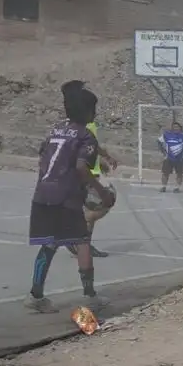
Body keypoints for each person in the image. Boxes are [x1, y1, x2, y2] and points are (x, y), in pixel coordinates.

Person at [25, 81, 115, 314]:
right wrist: (101, 191)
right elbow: (81, 168)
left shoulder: (56, 129)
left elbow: (41, 155)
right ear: (87, 112)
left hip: (43, 192)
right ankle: (89, 296)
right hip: (66, 197)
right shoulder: (85, 135)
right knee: (82, 241)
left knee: (49, 243)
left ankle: (35, 296)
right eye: (94, 110)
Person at [67, 81, 118, 259]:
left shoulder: (77, 126)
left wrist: (105, 158)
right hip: (84, 175)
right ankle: (80, 242)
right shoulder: (83, 126)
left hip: (88, 171)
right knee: (101, 203)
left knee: (90, 209)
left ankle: (81, 242)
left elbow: (93, 146)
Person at [158, 121, 183, 193]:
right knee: (165, 173)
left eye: (177, 127)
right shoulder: (167, 135)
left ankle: (177, 188)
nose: (175, 128)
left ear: (180, 128)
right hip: (169, 158)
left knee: (179, 174)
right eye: (174, 127)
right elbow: (159, 142)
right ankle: (163, 187)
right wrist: (164, 152)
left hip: (180, 159)